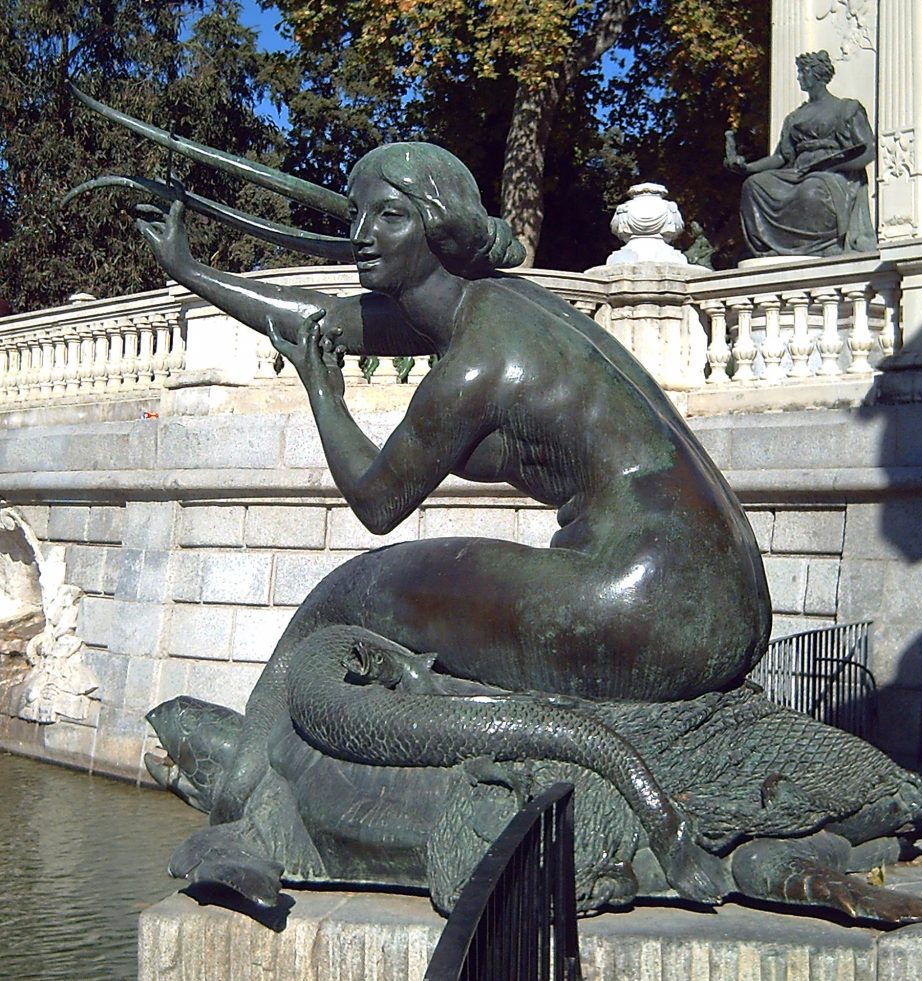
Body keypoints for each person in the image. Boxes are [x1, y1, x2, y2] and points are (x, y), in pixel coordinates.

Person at [136, 142, 771, 823]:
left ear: (437, 226)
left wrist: (324, 393)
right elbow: (316, 319)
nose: (360, 236)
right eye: (356, 214)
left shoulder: (472, 366)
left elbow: (377, 503)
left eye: (388, 217)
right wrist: (188, 268)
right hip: (721, 595)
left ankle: (245, 792)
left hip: (648, 601)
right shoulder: (498, 302)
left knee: (348, 593)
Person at [726, 50, 877, 257]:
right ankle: (774, 248)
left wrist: (834, 166)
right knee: (754, 185)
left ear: (817, 74)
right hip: (799, 172)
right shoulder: (795, 117)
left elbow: (868, 150)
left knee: (811, 191)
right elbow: (781, 157)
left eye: (802, 72)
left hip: (834, 175)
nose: (799, 77)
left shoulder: (846, 108)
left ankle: (825, 245)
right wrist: (747, 167)